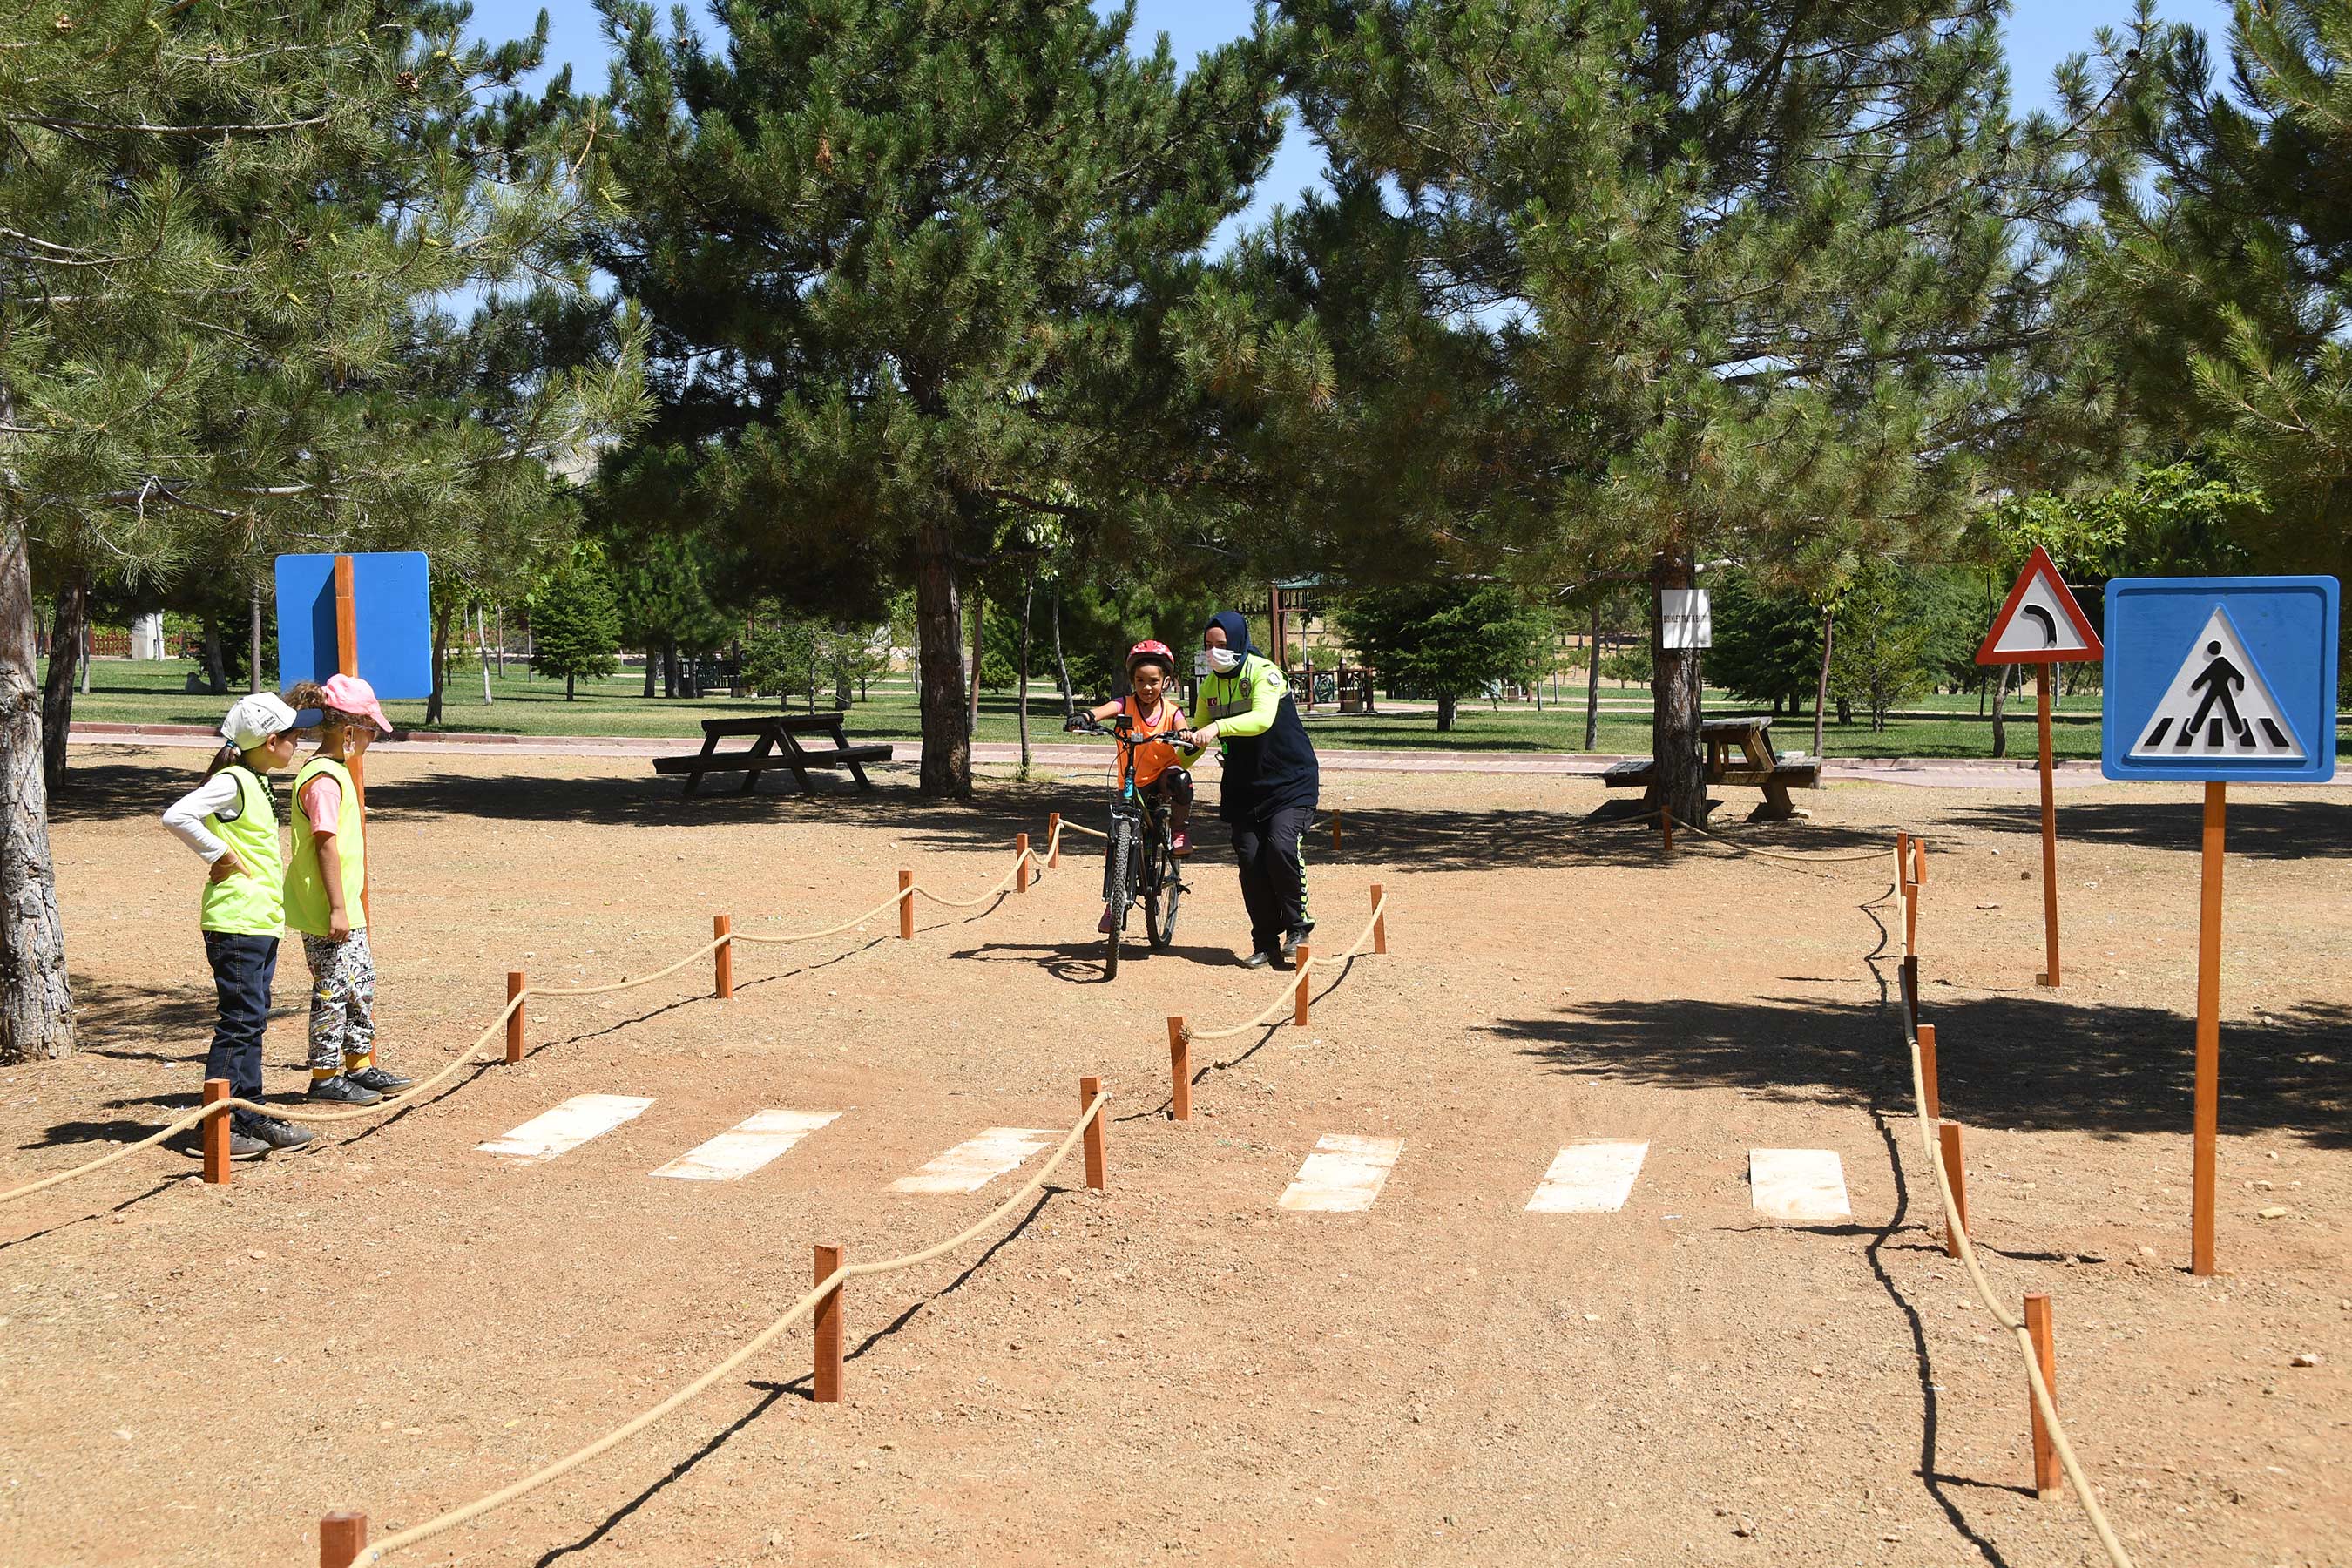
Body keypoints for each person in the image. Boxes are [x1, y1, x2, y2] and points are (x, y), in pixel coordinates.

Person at [159, 693, 321, 1159]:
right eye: (294, 735)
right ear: (272, 742)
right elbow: (177, 815)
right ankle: (218, 1128)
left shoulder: (255, 779)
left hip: (258, 922)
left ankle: (249, 1114)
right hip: (236, 923)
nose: (299, 740)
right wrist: (221, 855)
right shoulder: (233, 781)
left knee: (252, 1021)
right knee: (239, 1024)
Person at [284, 674, 413, 1106]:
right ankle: (324, 1076)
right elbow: (325, 843)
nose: (374, 736)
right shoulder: (323, 779)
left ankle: (360, 1065)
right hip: (327, 910)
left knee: (361, 984)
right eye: (372, 728)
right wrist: (338, 908)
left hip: (345, 909)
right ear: (350, 730)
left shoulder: (337, 771)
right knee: (332, 989)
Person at [1181, 611, 1321, 968]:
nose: (1214, 653)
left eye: (1222, 646)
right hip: (1244, 787)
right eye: (1208, 646)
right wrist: (1175, 762)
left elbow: (1261, 719)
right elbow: (1196, 738)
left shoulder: (1265, 673)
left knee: (1281, 846)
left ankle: (1297, 928)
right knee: (1251, 860)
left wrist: (1215, 729)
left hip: (1289, 781)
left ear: (1240, 643)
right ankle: (1265, 942)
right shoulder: (1209, 687)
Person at [1067, 640, 1196, 933]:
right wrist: (1086, 717)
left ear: (1166, 681)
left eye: (1154, 681)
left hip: (1163, 775)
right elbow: (1100, 712)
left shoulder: (1171, 711)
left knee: (1182, 781)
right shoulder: (1124, 704)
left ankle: (1178, 831)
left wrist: (1185, 734)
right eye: (1140, 681)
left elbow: (1182, 726)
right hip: (1131, 780)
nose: (1147, 687)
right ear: (1132, 681)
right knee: (1118, 836)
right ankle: (1114, 904)